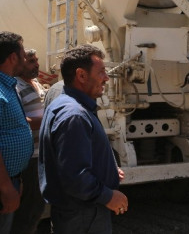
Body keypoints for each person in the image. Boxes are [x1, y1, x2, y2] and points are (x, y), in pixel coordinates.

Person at [39, 44, 128, 234]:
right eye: (101, 72)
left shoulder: (68, 105)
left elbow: (74, 160)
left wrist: (107, 169)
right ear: (81, 75)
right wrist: (108, 196)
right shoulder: (74, 115)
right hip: (84, 215)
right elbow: (74, 176)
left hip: (79, 213)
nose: (106, 78)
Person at [11, 49, 46, 234]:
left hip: (41, 155)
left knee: (37, 206)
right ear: (18, 63)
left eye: (36, 60)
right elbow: (18, 121)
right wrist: (49, 119)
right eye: (31, 61)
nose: (36, 64)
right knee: (29, 208)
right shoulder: (15, 87)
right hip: (29, 157)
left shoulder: (35, 83)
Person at [0, 32, 31, 234]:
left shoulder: (9, 86)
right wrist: (6, 187)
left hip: (11, 179)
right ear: (13, 57)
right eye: (23, 54)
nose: (26, 59)